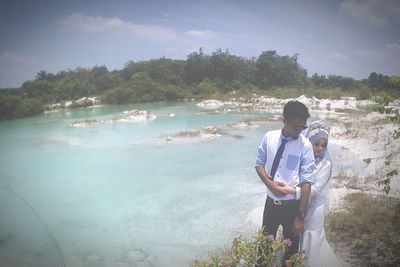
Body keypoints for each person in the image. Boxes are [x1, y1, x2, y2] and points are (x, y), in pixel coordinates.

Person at [255, 100, 315, 259]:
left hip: (292, 208)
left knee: (291, 253)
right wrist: (270, 184)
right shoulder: (269, 137)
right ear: (284, 121)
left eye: (303, 127)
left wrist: (300, 216)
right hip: (271, 204)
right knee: (263, 250)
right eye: (296, 126)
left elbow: (306, 182)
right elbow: (259, 164)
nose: (299, 131)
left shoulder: (305, 146)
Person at [280, 120, 332, 267]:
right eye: (317, 144)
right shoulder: (302, 157)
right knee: (296, 237)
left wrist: (292, 191)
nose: (320, 148)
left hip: (315, 209)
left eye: (323, 145)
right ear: (310, 142)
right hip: (298, 206)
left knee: (311, 239)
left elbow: (314, 190)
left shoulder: (325, 165)